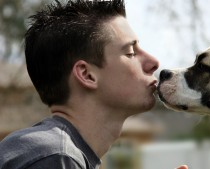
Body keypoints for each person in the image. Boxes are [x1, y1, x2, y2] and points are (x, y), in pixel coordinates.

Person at [0, 0, 188, 169]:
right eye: (131, 52)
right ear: (87, 74)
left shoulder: (57, 153)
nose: (154, 62)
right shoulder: (55, 157)